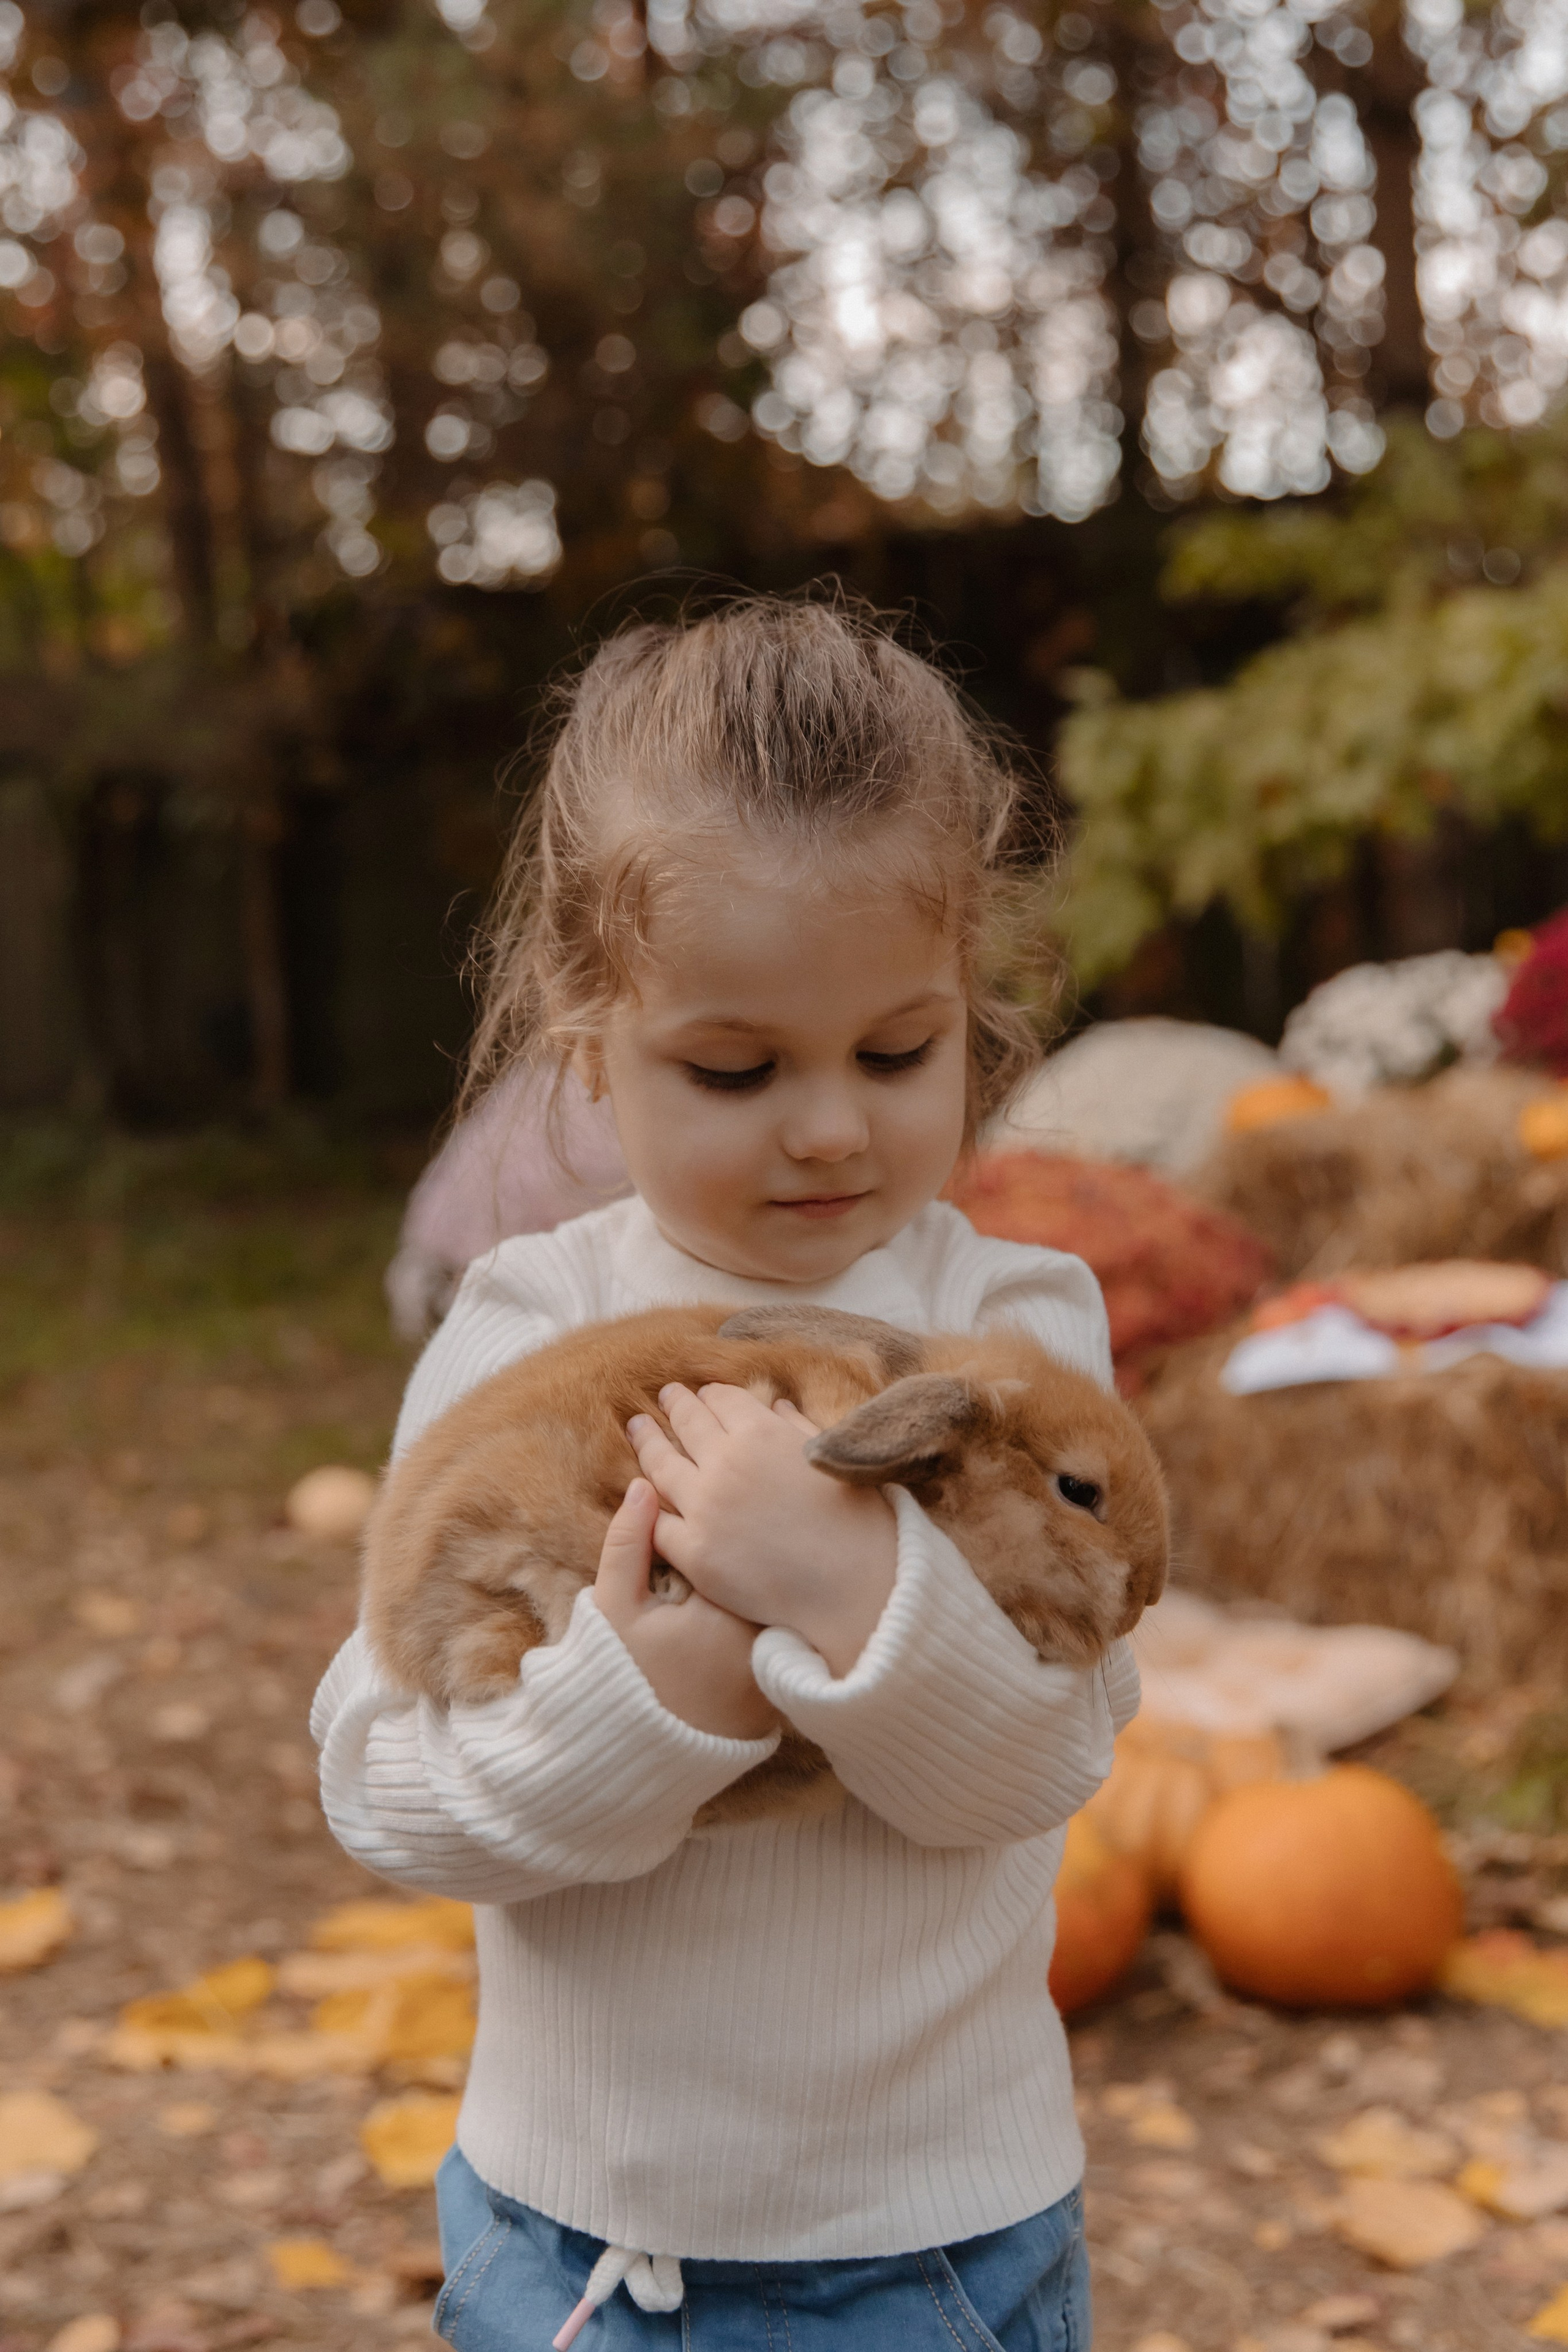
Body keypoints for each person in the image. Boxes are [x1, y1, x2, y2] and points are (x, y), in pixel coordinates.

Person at [313, 595, 1137, 2351]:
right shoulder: (531, 1321)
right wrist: (656, 1701)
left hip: (942, 2242)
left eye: (899, 1053)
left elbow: (1055, 1751)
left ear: (971, 1005)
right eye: (737, 1068)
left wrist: (852, 1595)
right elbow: (381, 1785)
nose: (832, 1124)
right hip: (587, 2243)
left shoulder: (1012, 1322)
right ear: (587, 1038)